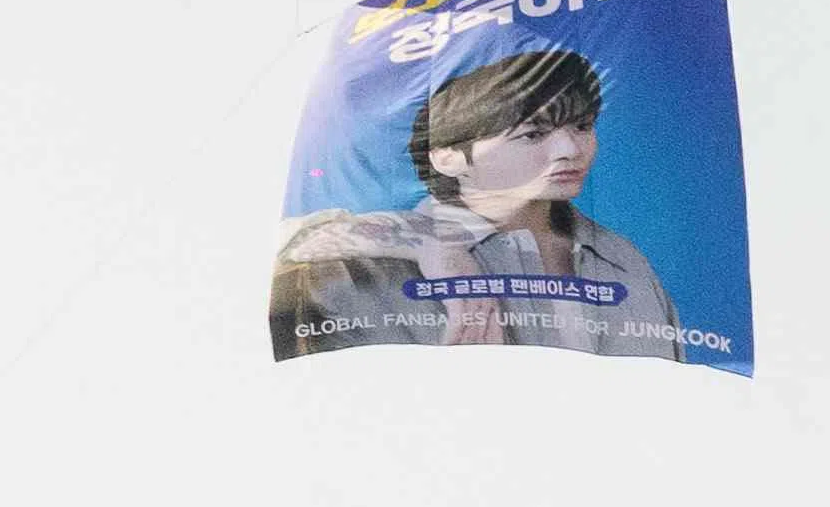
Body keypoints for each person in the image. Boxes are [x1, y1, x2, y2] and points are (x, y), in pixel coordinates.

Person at [270, 42, 695, 360]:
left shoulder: (624, 259)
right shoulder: (365, 262)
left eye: (582, 126)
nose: (569, 148)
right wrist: (429, 244)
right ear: (449, 156)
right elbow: (281, 250)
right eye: (533, 134)